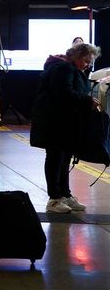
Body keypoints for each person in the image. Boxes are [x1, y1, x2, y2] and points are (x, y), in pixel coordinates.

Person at [30, 43, 101, 214]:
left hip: (64, 124)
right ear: (76, 56)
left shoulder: (68, 68)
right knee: (55, 159)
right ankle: (54, 198)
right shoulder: (64, 69)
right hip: (55, 124)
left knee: (64, 159)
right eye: (86, 61)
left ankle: (64, 194)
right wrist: (87, 101)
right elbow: (64, 93)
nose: (88, 65)